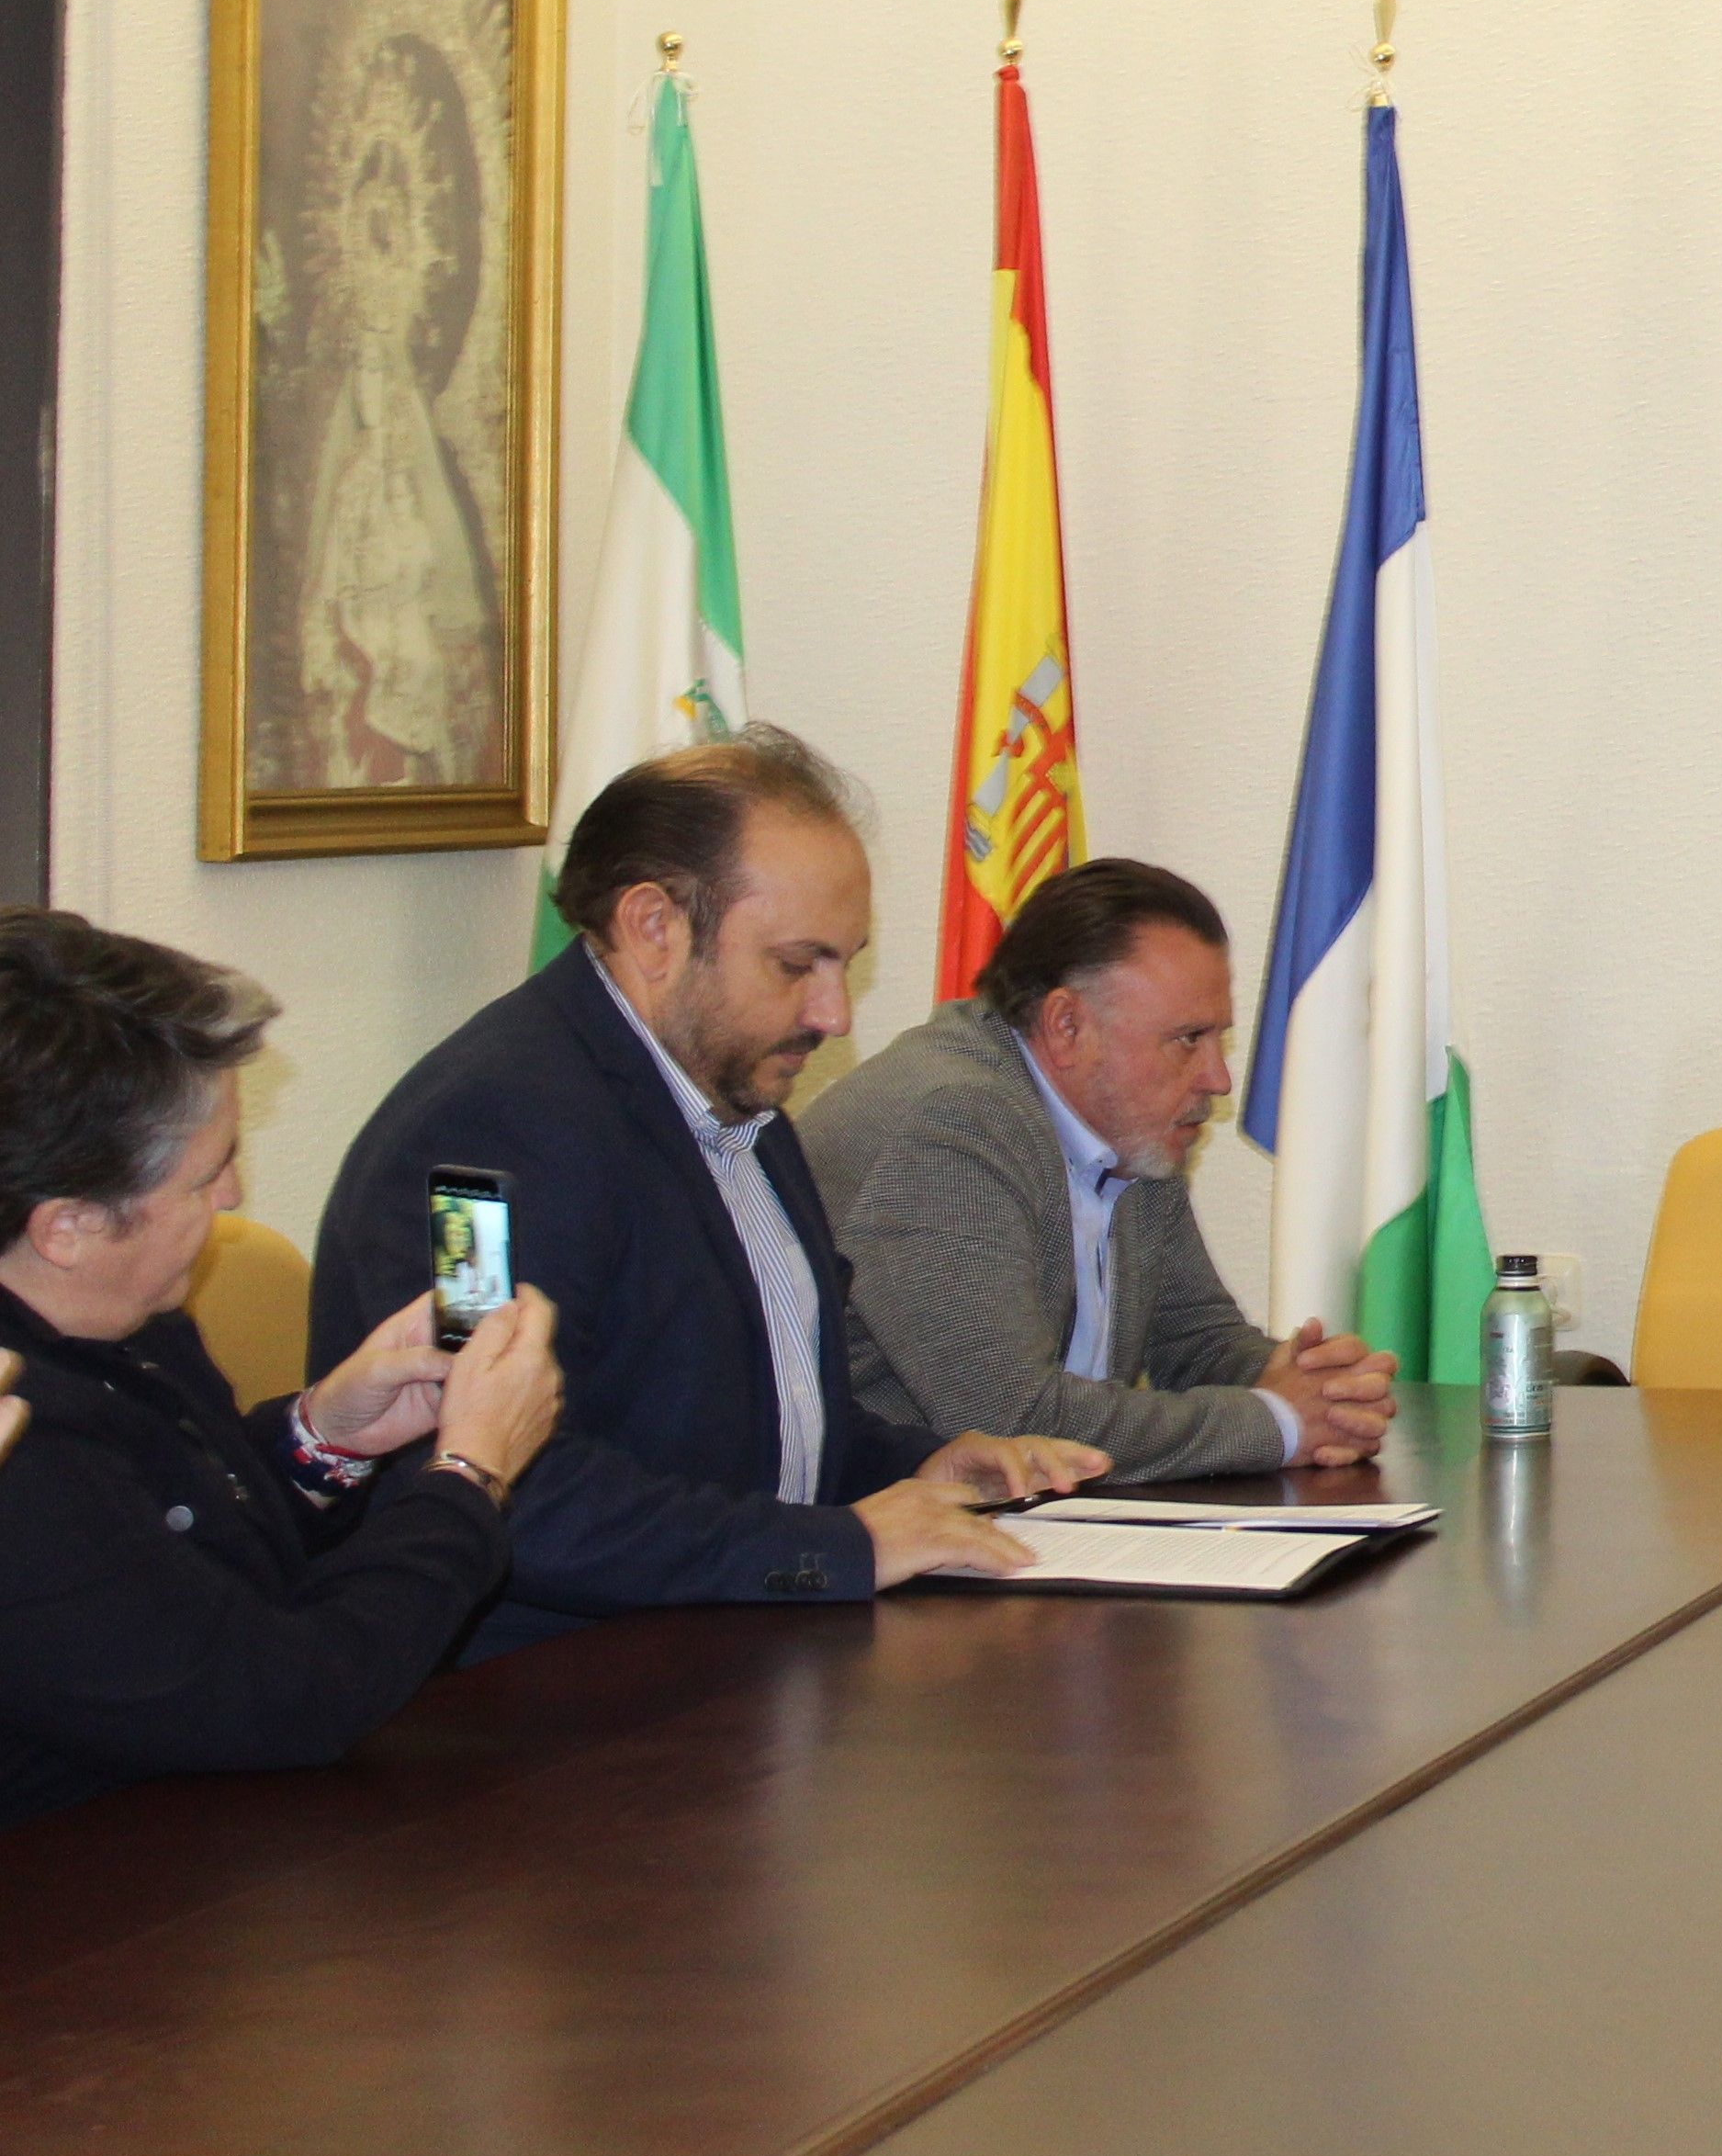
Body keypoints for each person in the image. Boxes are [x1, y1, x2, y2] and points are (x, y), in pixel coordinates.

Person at [311, 728, 1106, 1657]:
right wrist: (832, 1550)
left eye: (844, 962)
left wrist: (912, 1463)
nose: (833, 1013)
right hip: (535, 1706)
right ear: (654, 926)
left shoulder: (739, 1094)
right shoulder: (479, 1139)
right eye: (794, 963)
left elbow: (753, 1418)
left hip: (730, 1659)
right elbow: (494, 1484)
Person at [0, 910, 565, 1825]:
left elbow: (181, 1553)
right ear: (66, 1227)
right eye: (205, 1174)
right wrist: (470, 1474)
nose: (233, 1197)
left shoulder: (126, 1319)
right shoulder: (16, 1442)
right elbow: (278, 1697)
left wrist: (323, 1439)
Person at [808, 858, 1396, 1478]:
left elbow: (1195, 1340)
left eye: (1218, 1039)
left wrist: (1314, 1387)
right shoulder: (951, 1121)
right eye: (1187, 1038)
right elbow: (1010, 1421)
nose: (1218, 1080)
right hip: (872, 1542)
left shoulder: (1128, 1129)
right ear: (1066, 1026)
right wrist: (1278, 1424)